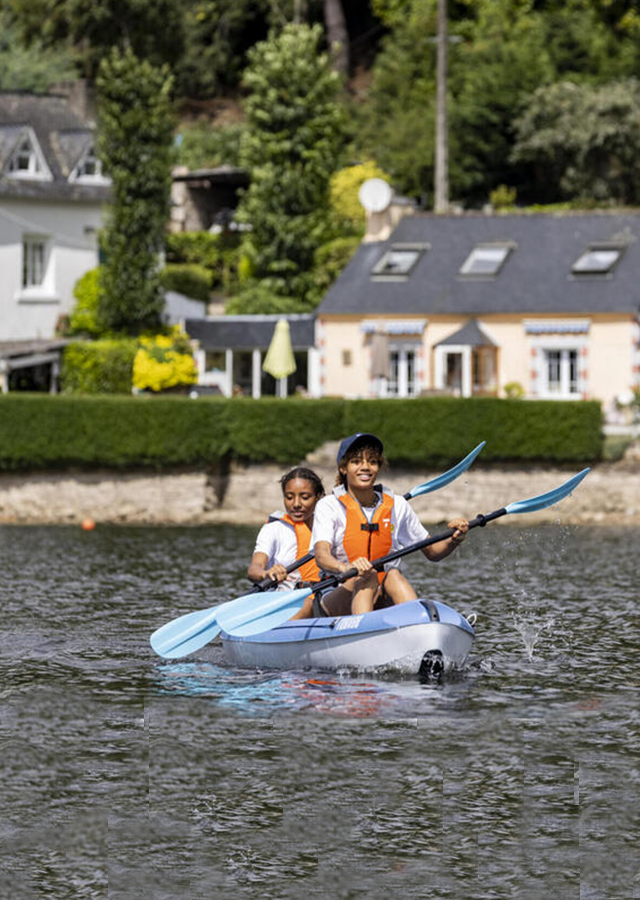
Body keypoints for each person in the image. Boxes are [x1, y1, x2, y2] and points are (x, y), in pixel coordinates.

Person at [311, 433, 469, 616]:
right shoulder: (329, 505)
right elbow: (321, 555)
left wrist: (454, 538)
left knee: (392, 573)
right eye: (356, 461)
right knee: (367, 576)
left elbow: (433, 552)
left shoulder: (397, 505)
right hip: (337, 596)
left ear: (378, 467)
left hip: (382, 592)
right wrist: (345, 568)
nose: (365, 467)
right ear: (343, 468)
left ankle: (419, 624)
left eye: (372, 461)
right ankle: (363, 631)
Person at [247, 466, 325, 619]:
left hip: (325, 596)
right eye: (289, 497)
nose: (296, 504)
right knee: (306, 603)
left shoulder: (330, 526)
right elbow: (254, 569)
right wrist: (266, 573)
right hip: (287, 600)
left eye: (304, 497)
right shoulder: (274, 529)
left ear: (319, 497)